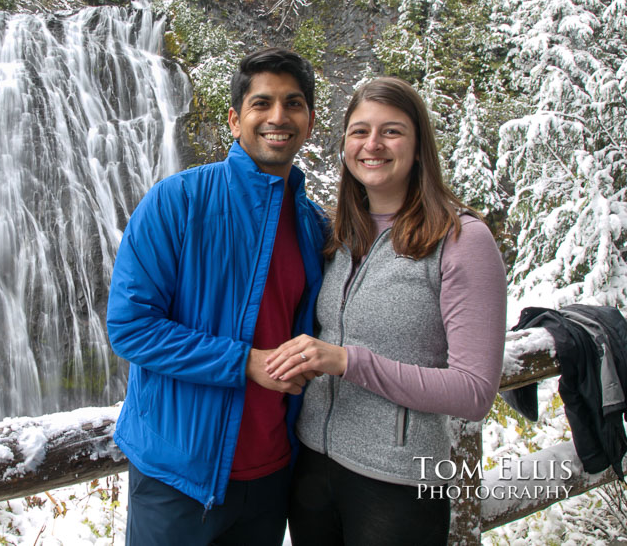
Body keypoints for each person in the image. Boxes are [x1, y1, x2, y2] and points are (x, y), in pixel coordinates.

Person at [264, 76, 507, 545]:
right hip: (312, 467)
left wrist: (347, 361)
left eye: (391, 131)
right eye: (360, 131)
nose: (372, 144)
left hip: (401, 481)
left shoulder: (461, 241)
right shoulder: (336, 235)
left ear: (418, 147)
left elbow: (475, 392)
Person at [106, 47, 328, 545]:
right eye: (261, 103)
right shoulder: (177, 201)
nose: (278, 116)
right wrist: (245, 362)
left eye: (293, 104)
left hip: (272, 475)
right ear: (235, 119)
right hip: (176, 477)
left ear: (309, 122)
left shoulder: (314, 228)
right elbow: (130, 326)